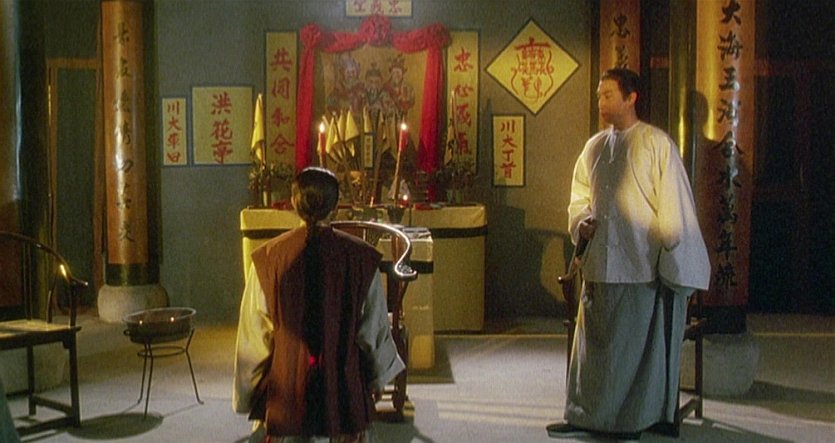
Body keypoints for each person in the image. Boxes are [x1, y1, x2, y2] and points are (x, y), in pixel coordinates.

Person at [548, 68, 710, 440]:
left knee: (632, 351)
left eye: (608, 95)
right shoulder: (594, 147)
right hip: (599, 264)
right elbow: (579, 197)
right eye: (599, 95)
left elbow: (674, 208)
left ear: (631, 97)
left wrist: (673, 259)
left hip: (639, 263)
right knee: (592, 351)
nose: (600, 102)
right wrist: (582, 221)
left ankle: (629, 421)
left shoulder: (656, 144)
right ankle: (584, 415)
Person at [233, 167, 405, 443]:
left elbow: (254, 336)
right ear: (336, 206)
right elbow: (373, 330)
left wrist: (248, 392)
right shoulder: (361, 258)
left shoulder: (269, 258)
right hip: (343, 391)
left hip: (287, 390)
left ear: (294, 203)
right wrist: (376, 380)